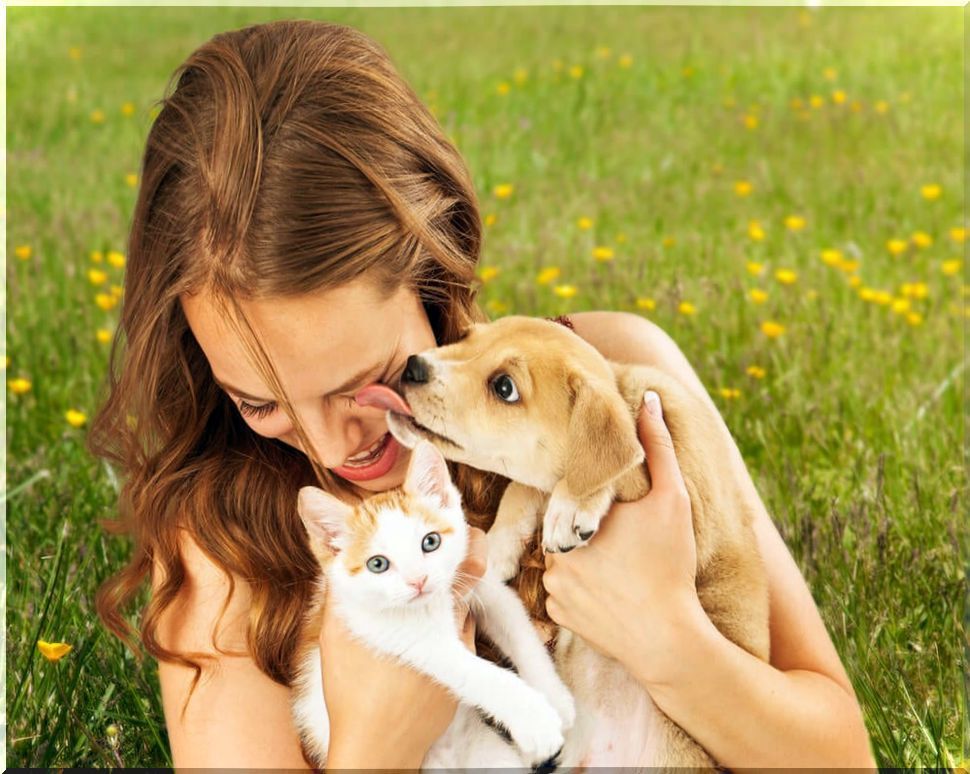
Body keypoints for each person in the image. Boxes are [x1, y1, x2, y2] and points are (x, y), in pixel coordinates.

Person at [88, 18, 875, 769]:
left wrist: (668, 641)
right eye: (259, 403)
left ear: (435, 268)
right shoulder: (224, 552)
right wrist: (376, 745)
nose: (335, 446)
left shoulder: (610, 387)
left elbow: (841, 758)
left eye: (365, 382)